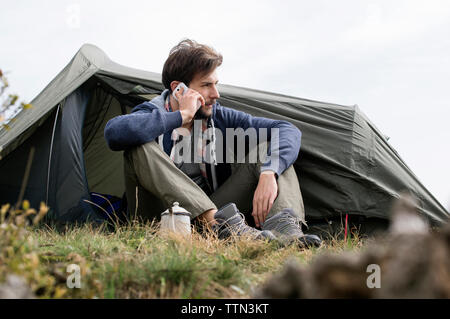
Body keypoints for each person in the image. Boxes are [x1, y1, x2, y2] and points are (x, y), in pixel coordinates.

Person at [104, 39, 321, 247]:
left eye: (216, 84)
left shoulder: (219, 116)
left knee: (271, 151)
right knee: (139, 145)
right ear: (179, 89)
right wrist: (181, 115)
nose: (215, 94)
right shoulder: (152, 113)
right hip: (159, 215)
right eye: (206, 85)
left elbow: (287, 130)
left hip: (216, 214)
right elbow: (114, 133)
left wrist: (269, 173)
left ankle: (285, 233)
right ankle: (218, 224)